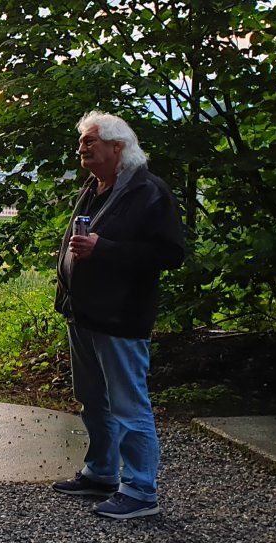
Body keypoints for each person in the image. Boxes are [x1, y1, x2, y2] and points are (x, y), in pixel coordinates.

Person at [51, 111, 185, 520]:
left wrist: (103, 249)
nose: (82, 147)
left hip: (120, 317)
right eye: (81, 142)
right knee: (92, 400)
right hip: (83, 314)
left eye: (90, 141)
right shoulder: (94, 188)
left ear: (117, 146)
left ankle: (141, 490)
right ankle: (102, 472)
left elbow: (170, 254)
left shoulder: (148, 191)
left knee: (128, 405)